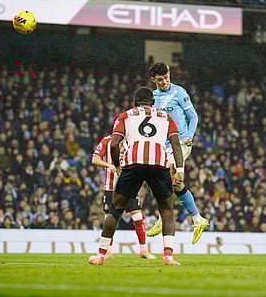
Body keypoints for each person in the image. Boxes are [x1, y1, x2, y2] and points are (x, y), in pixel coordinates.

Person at [89, 86, 184, 266]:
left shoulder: (125, 116)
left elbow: (114, 144)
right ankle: (168, 256)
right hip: (159, 164)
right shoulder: (166, 117)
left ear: (135, 102)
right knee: (166, 210)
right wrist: (180, 170)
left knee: (116, 209)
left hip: (133, 163)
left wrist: (117, 165)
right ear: (153, 102)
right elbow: (176, 144)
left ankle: (101, 255)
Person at [146, 62, 209, 244]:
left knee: (171, 174)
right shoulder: (153, 97)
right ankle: (198, 219)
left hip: (181, 142)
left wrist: (190, 135)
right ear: (153, 80)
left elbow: (193, 116)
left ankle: (162, 219)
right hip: (163, 145)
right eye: (160, 80)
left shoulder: (179, 92)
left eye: (166, 78)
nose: (164, 82)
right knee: (174, 183)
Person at [92, 134, 155, 259]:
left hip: (130, 185)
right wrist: (108, 165)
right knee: (109, 218)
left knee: (137, 216)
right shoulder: (107, 141)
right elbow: (94, 159)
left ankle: (143, 250)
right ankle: (108, 250)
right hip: (111, 187)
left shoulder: (132, 141)